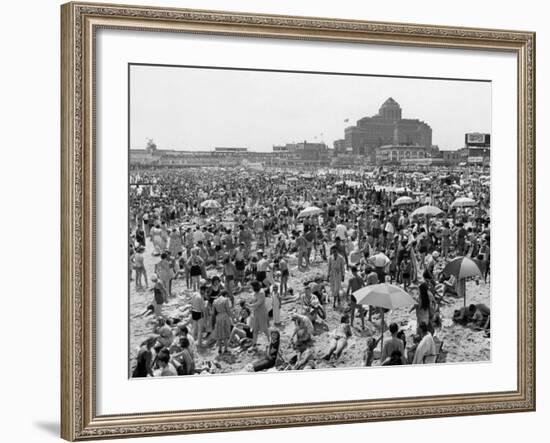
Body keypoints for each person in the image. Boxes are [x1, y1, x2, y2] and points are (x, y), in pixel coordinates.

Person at [250, 280, 270, 347]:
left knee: (264, 328)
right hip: (256, 312)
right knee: (255, 328)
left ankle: (270, 341)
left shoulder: (261, 293)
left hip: (262, 312)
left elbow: (259, 303)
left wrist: (250, 306)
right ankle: (254, 344)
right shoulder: (255, 293)